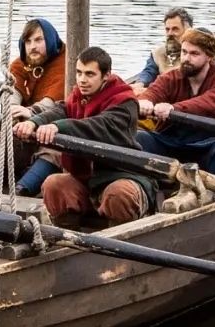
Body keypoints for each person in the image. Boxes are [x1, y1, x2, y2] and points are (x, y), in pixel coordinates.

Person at [16, 47, 154, 226]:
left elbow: (98, 126)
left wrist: (58, 127)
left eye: (90, 74)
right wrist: (34, 122)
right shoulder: (79, 95)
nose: (82, 80)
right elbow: (62, 109)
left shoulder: (125, 102)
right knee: (54, 185)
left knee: (118, 194)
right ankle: (65, 237)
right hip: (85, 178)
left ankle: (119, 239)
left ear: (106, 76)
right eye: (79, 73)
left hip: (120, 174)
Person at [135, 26, 215, 180]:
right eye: (184, 52)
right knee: (138, 138)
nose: (187, 58)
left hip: (211, 143)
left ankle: (213, 194)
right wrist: (144, 102)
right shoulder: (172, 77)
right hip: (174, 142)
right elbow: (154, 91)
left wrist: (174, 109)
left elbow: (207, 103)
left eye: (194, 53)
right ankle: (153, 186)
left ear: (209, 56)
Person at [0, 16, 66, 194]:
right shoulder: (21, 64)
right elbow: (10, 90)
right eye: (28, 41)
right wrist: (12, 108)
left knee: (53, 154)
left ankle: (21, 192)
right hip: (23, 131)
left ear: (51, 39)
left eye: (39, 40)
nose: (33, 46)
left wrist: (31, 112)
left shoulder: (66, 63)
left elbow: (54, 101)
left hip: (55, 132)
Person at [130, 7, 194, 88]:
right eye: (167, 29)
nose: (170, 33)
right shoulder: (158, 53)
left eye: (175, 29)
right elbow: (149, 72)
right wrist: (140, 83)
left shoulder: (196, 54)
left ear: (188, 30)